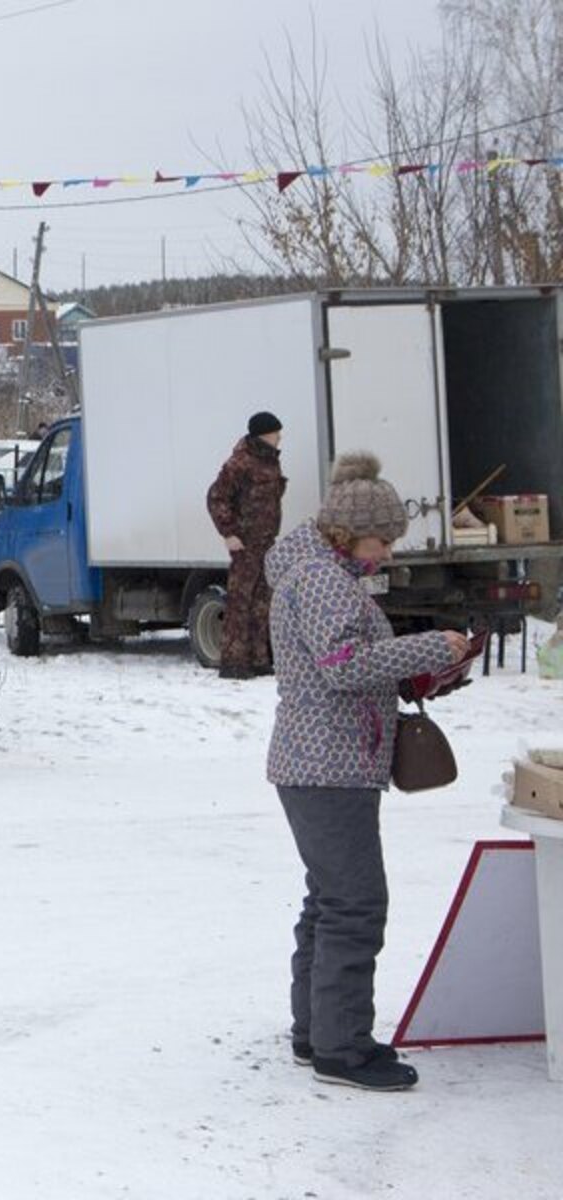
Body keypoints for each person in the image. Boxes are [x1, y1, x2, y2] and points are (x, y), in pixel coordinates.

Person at [265, 453, 467, 1091]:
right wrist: (430, 646)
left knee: (329, 900)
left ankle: (317, 1033)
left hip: (322, 761)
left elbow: (346, 662)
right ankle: (343, 1050)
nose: (387, 553)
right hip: (329, 765)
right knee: (354, 905)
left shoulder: (319, 573)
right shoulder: (322, 580)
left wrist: (422, 672)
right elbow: (344, 666)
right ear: (348, 534)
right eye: (382, 540)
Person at [207, 411, 288, 680]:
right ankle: (234, 662)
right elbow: (217, 498)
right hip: (245, 544)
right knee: (240, 604)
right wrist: (229, 533)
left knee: (261, 602)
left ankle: (258, 658)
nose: (279, 437)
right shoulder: (240, 462)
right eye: (276, 433)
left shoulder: (269, 461)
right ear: (264, 434)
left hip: (266, 542)